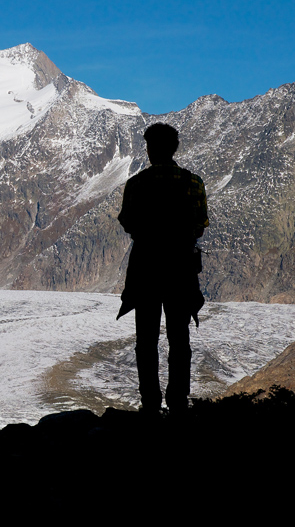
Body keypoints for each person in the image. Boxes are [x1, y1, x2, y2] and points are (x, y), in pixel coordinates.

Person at [117, 122, 208, 415]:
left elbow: (127, 221)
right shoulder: (193, 182)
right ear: (175, 148)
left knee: (146, 340)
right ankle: (178, 403)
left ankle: (150, 404)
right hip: (181, 269)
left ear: (150, 148)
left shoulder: (137, 184)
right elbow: (200, 224)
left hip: (145, 269)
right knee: (179, 339)